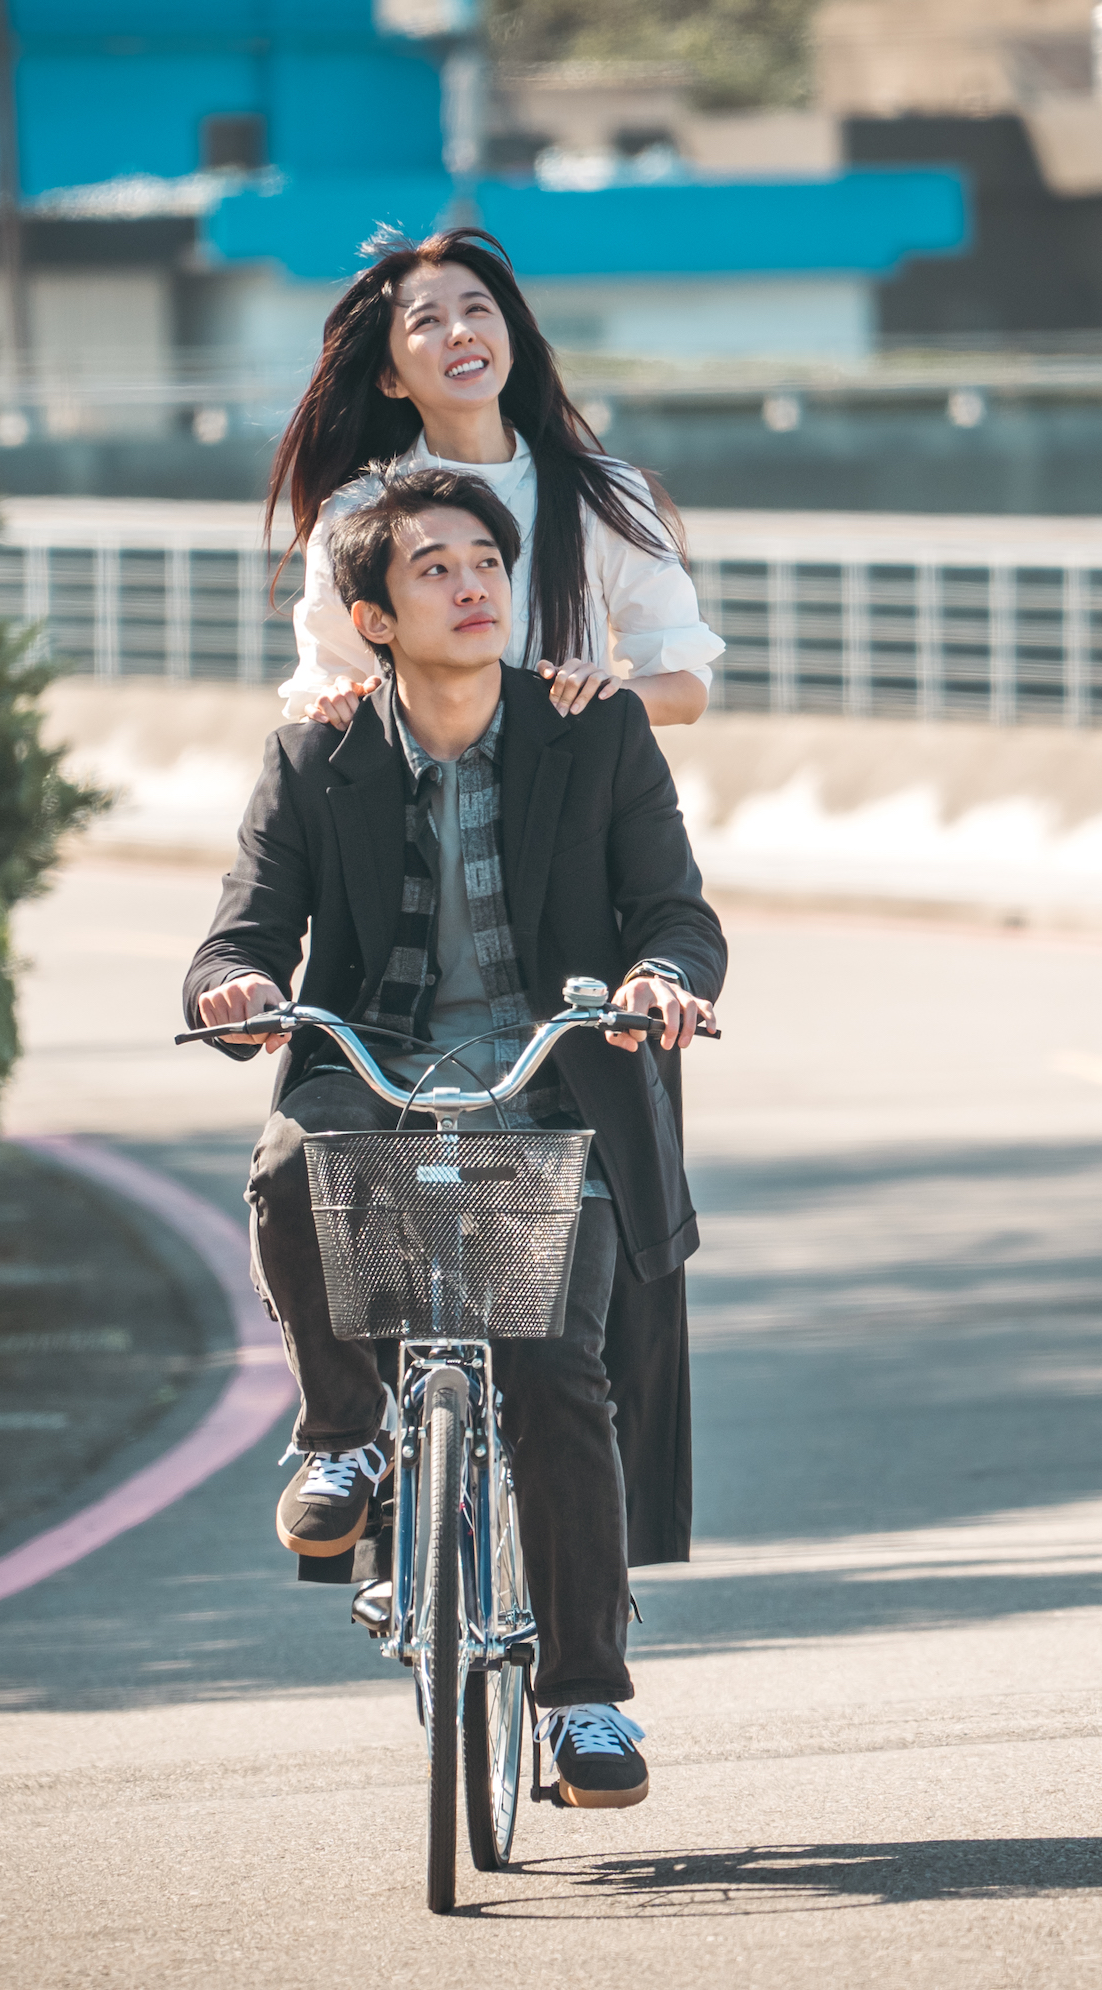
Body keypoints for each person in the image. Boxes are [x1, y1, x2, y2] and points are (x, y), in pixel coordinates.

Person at [187, 463, 724, 1811]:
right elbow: (247, 926)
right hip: (377, 1076)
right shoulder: (319, 753)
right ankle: (346, 1437)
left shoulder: (590, 733)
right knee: (290, 1162)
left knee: (552, 1376)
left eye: (485, 558)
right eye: (432, 567)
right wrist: (236, 990)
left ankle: (587, 1700)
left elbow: (674, 907)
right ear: (369, 613)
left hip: (548, 1087)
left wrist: (664, 980)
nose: (473, 581)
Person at [268, 225, 719, 732]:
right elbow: (325, 685)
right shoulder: (356, 514)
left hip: (565, 799)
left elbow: (685, 688)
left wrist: (594, 698)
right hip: (415, 800)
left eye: (477, 309)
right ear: (389, 378)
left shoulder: (601, 494)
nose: (460, 331)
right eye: (428, 321)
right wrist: (334, 703)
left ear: (509, 338)